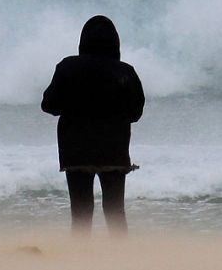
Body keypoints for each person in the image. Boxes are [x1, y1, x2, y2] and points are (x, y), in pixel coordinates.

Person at [41, 15, 145, 236]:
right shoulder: (125, 72)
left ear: (83, 41)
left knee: (81, 211)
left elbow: (48, 105)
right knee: (115, 210)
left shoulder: (67, 67)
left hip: (76, 151)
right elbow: (136, 113)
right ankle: (121, 258)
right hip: (114, 151)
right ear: (115, 43)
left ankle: (81, 258)